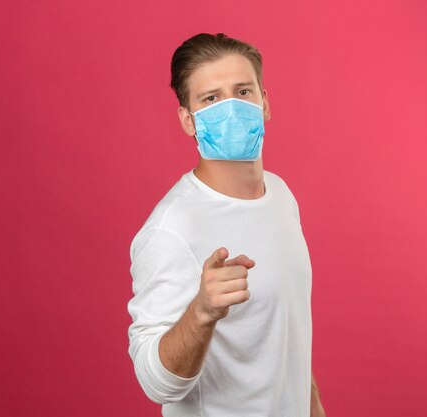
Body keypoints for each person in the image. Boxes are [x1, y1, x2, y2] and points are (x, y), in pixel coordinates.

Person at [127, 33, 325, 417]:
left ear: (265, 103)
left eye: (243, 92)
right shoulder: (171, 229)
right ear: (189, 120)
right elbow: (154, 384)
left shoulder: (281, 196)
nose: (232, 109)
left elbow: (283, 331)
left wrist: (311, 402)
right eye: (211, 99)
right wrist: (201, 312)